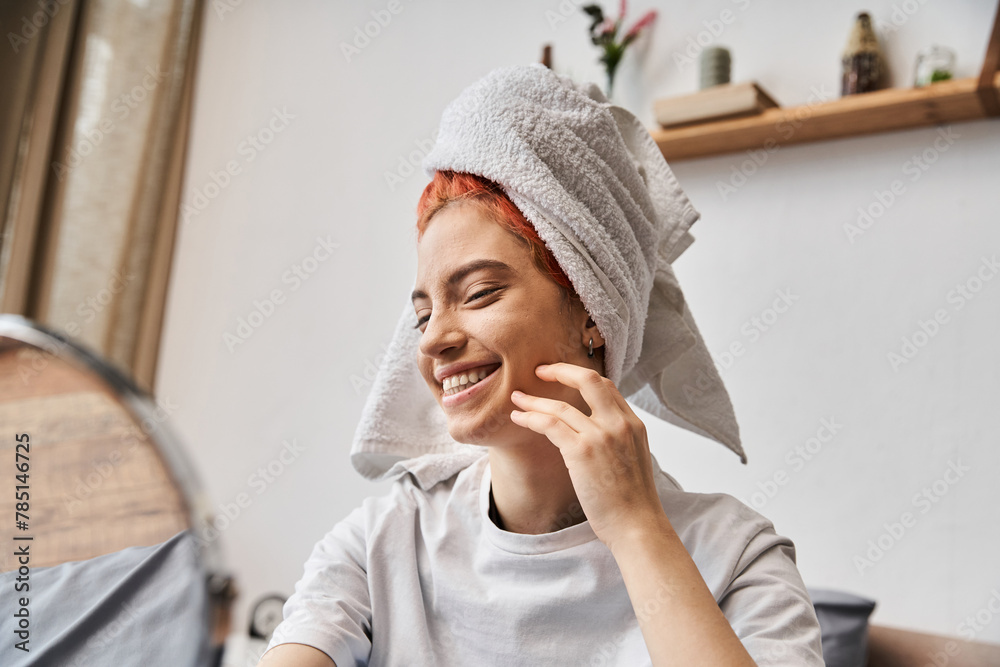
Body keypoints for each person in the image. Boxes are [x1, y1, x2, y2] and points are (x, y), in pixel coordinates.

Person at [258, 65, 824, 667]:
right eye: (423, 316)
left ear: (592, 311)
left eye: (478, 293)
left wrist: (635, 527)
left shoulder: (737, 559)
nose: (434, 341)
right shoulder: (385, 541)